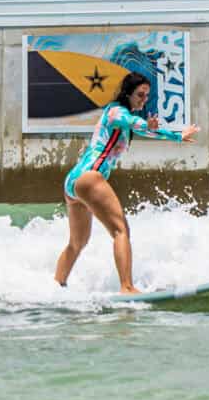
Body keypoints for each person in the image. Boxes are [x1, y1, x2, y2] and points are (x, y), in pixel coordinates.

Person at [54, 71, 198, 295]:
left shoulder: (118, 114)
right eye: (140, 94)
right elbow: (135, 123)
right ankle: (127, 287)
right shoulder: (116, 112)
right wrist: (156, 129)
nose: (143, 99)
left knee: (78, 243)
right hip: (89, 177)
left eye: (146, 95)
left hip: (74, 182)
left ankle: (57, 286)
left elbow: (144, 130)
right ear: (128, 94)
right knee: (121, 230)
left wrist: (173, 135)